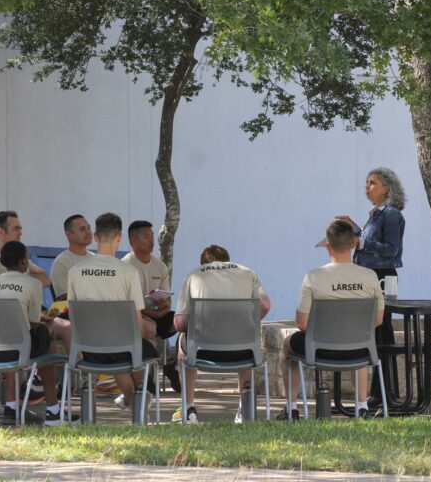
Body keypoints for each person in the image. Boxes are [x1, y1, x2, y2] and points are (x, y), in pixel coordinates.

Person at [279, 220, 385, 421]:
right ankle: (362, 406)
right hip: (358, 350)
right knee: (359, 335)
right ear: (354, 244)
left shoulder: (313, 277)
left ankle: (291, 408)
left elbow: (301, 324)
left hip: (319, 350)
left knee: (287, 346)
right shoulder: (370, 277)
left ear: (327, 246)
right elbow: (378, 319)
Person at [66, 212, 159, 414]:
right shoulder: (128, 272)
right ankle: (141, 398)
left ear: (96, 237)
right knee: (141, 348)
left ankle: (135, 400)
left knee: (121, 351)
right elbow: (137, 322)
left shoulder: (75, 271)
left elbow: (72, 315)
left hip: (86, 351)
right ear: (119, 238)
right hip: (122, 349)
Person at [171, 245, 271, 424]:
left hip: (203, 351)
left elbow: (179, 323)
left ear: (203, 264)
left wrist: (198, 323)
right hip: (242, 351)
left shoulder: (194, 275)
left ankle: (188, 407)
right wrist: (248, 322)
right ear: (227, 259)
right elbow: (265, 306)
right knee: (246, 335)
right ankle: (245, 408)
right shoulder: (248, 273)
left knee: (182, 341)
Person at [0, 241, 78, 425]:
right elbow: (34, 324)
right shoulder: (32, 283)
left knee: (15, 334)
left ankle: (11, 405)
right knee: (48, 332)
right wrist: (46, 318)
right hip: (19, 350)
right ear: (23, 262)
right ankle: (53, 409)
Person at [337, 167, 406, 400]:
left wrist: (361, 242)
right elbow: (369, 240)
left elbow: (391, 250)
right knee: (374, 331)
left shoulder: (391, 214)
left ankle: (386, 391)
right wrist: (356, 228)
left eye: (372, 183)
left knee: (382, 330)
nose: (367, 187)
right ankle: (380, 391)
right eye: (367, 183)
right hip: (371, 276)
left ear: (386, 187)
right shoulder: (376, 214)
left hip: (384, 277)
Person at [121, 220, 180, 391]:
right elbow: (128, 305)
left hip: (157, 313)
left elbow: (166, 297)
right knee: (148, 329)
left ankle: (174, 366)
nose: (152, 240)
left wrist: (164, 307)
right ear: (133, 240)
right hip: (134, 318)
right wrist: (153, 314)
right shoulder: (125, 266)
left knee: (185, 322)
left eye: (152, 236)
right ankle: (146, 379)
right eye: (146, 237)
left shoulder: (160, 266)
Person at [0, 210, 49, 287]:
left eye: (20, 229)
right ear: (0, 232)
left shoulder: (18, 255)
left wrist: (24, 277)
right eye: (16, 229)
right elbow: (15, 286)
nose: (20, 233)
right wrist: (30, 277)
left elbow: (45, 278)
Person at [50, 214, 94, 301]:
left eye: (89, 228)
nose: (88, 232)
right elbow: (63, 298)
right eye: (82, 229)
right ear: (68, 234)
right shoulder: (61, 262)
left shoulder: (96, 259)